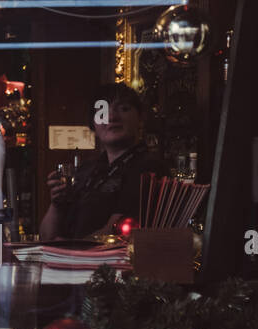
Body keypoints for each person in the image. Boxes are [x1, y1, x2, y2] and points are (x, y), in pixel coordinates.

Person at [39, 83, 164, 240]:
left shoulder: (147, 167)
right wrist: (57, 204)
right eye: (102, 111)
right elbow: (46, 236)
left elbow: (116, 234)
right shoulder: (86, 170)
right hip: (71, 260)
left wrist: (68, 250)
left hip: (111, 263)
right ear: (93, 125)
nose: (112, 117)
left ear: (140, 118)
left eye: (123, 109)